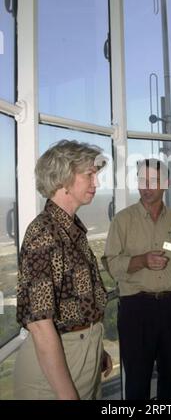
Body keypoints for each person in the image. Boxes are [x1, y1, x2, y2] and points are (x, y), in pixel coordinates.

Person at [14, 140, 112, 400]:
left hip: (81, 355)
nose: (96, 183)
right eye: (89, 175)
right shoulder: (44, 233)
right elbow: (39, 324)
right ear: (64, 178)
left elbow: (79, 301)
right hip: (53, 374)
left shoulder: (70, 229)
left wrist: (95, 349)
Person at [103, 158, 171, 400]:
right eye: (142, 180)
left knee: (169, 379)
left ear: (166, 183)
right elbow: (112, 265)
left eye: (153, 181)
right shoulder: (122, 221)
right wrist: (141, 261)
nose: (146, 186)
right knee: (136, 382)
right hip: (136, 310)